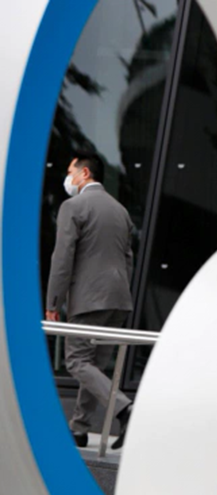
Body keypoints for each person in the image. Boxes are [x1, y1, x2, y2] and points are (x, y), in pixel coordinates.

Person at [45, 154, 135, 450]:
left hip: (89, 299)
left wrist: (53, 302)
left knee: (76, 361)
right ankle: (80, 428)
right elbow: (128, 259)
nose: (67, 178)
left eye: (70, 171)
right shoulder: (120, 210)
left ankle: (124, 408)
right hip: (118, 300)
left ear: (84, 173)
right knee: (93, 365)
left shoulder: (73, 206)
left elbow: (62, 258)